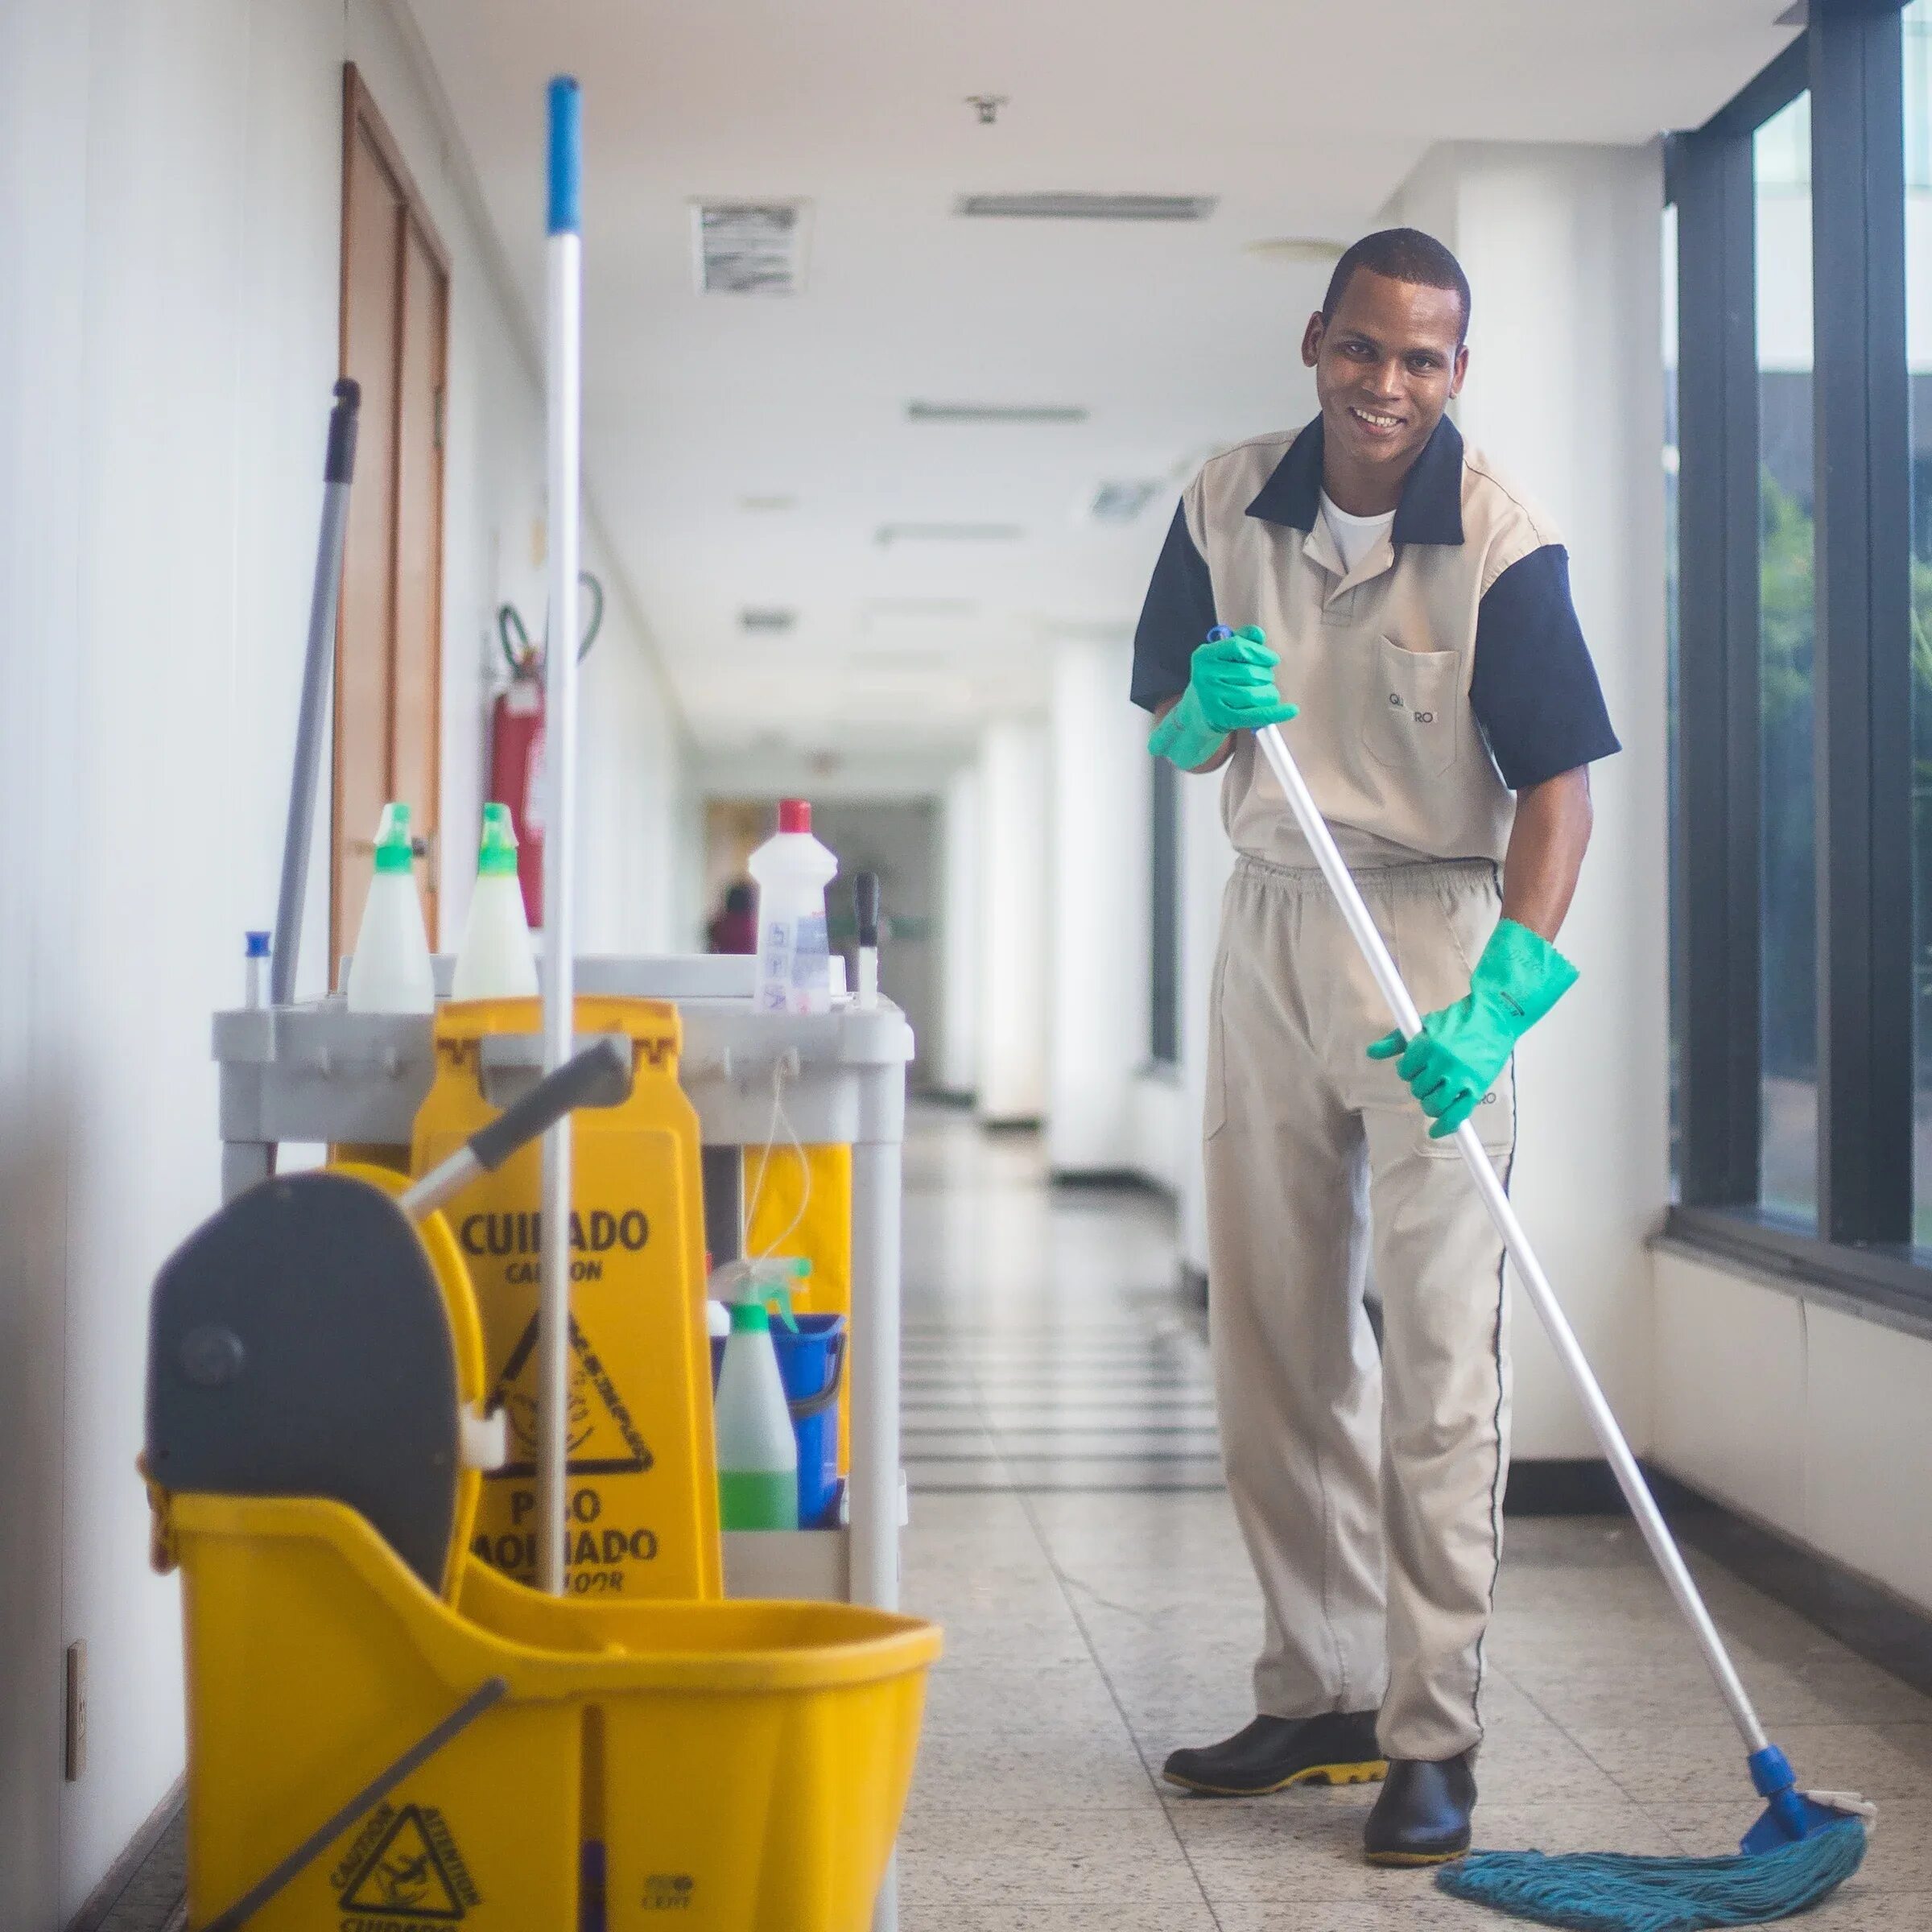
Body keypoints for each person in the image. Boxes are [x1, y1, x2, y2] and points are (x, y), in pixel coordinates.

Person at [1130, 228, 1620, 1866]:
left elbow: (1561, 793)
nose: (1389, 382)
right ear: (1314, 340)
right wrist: (1205, 709)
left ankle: (1434, 1731)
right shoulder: (1222, 502)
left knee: (1434, 1358)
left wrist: (1503, 1001)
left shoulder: (1498, 541)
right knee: (1271, 1337)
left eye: (1424, 358)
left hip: (1430, 944)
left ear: (1456, 373)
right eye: (1364, 347)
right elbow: (1176, 733)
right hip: (1270, 927)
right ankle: (1322, 1685)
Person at [707, 881, 757, 955]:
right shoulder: (754, 926)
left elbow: (711, 947)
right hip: (749, 964)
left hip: (725, 964)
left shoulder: (720, 926)